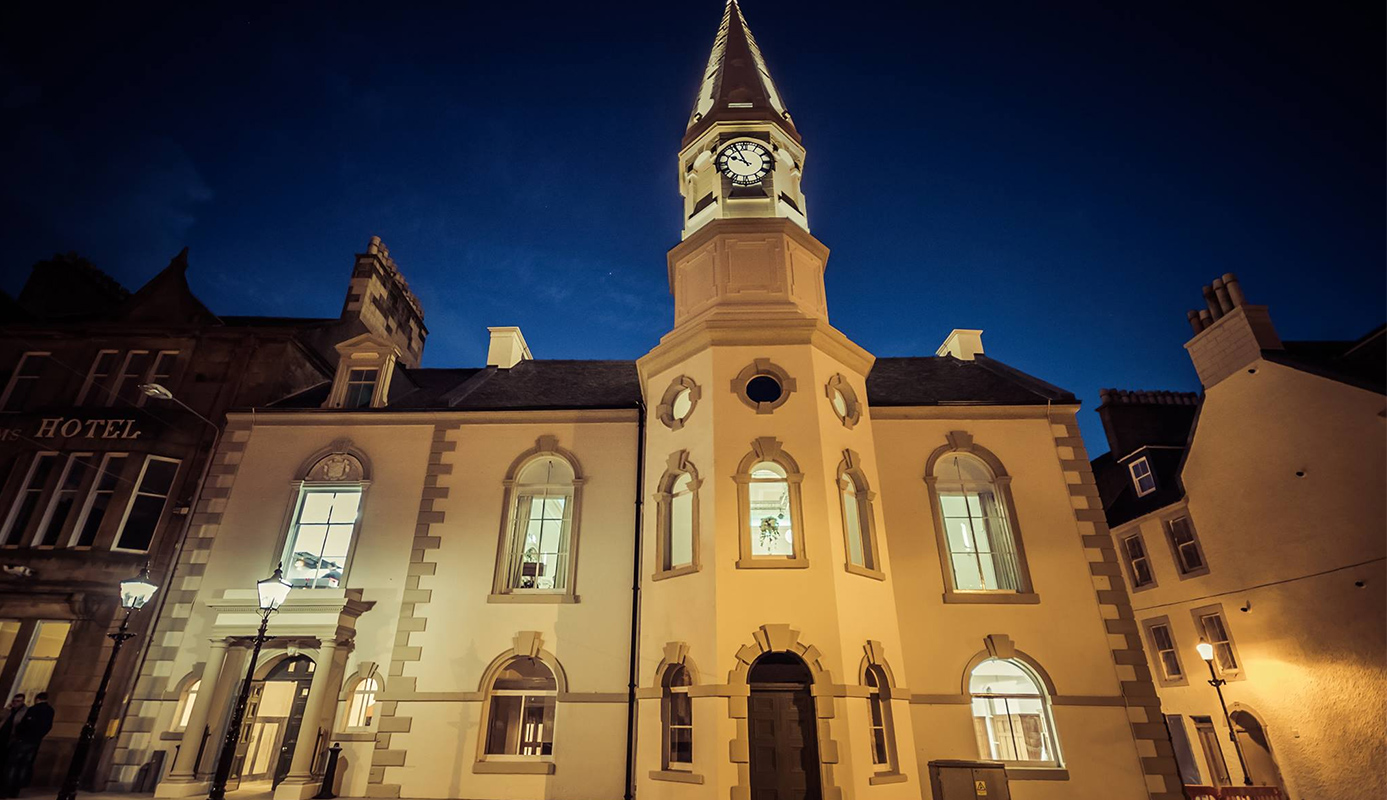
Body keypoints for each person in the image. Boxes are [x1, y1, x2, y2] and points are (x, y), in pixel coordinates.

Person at [3, 692, 51, 797]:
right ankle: (15, 790)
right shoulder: (50, 711)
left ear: (37, 699)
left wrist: (20, 735)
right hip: (34, 741)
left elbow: (23, 725)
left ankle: (7, 789)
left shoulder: (32, 710)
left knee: (13, 765)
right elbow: (47, 727)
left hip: (23, 740)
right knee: (24, 765)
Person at [0, 697, 25, 775]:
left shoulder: (24, 711)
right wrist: (7, 709)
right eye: (14, 701)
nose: (15, 703)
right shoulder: (9, 710)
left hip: (11, 736)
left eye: (18, 701)